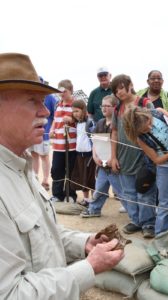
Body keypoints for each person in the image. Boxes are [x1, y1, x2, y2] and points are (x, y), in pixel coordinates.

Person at [0, 52, 124, 299]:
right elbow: (10, 294)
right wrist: (89, 268)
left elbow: (44, 235)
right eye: (32, 101)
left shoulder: (19, 166)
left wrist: (84, 243)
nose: (45, 112)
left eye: (43, 102)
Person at [123, 106, 168, 255]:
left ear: (148, 116)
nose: (149, 128)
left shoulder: (158, 113)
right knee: (164, 204)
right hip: (165, 167)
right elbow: (157, 160)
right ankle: (162, 241)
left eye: (149, 124)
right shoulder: (140, 138)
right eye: (144, 130)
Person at [110, 74, 157, 238]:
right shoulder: (117, 109)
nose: (119, 93)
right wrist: (113, 157)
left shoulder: (144, 103)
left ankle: (149, 223)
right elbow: (114, 132)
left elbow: (154, 127)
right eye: (115, 91)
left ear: (130, 85)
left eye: (121, 88)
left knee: (145, 191)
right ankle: (135, 221)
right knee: (128, 192)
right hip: (124, 157)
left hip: (144, 156)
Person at [81, 94, 125, 217]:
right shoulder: (99, 123)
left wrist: (113, 158)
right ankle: (94, 209)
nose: (104, 108)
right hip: (102, 164)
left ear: (115, 107)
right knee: (100, 188)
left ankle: (135, 216)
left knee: (122, 192)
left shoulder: (119, 124)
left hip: (115, 164)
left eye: (108, 106)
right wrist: (95, 156)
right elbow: (95, 142)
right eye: (102, 106)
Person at [49, 79, 77, 202]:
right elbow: (55, 120)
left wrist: (72, 119)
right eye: (59, 92)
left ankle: (71, 195)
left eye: (64, 92)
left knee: (71, 170)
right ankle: (57, 195)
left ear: (70, 90)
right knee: (56, 169)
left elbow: (83, 119)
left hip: (72, 144)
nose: (61, 94)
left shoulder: (76, 104)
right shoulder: (58, 103)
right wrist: (51, 129)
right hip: (58, 144)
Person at [28, 77, 57, 191]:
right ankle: (35, 178)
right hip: (32, 131)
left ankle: (45, 180)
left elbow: (55, 114)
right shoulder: (29, 96)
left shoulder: (50, 97)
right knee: (34, 154)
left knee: (44, 156)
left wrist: (52, 128)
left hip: (44, 131)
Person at [70, 99, 96, 203]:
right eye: (73, 111)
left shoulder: (89, 122)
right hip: (79, 154)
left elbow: (94, 138)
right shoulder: (78, 123)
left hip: (89, 154)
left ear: (83, 110)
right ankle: (85, 199)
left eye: (77, 111)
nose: (75, 114)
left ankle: (94, 199)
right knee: (83, 177)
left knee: (91, 177)